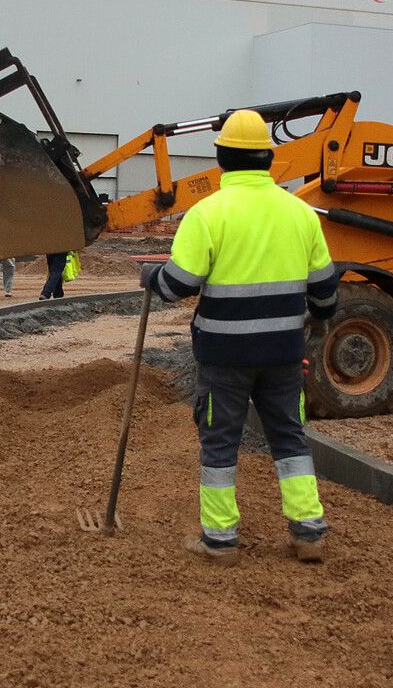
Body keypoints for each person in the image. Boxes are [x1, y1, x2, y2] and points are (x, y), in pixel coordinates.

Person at [141, 109, 339, 566]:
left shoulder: (208, 213)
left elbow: (177, 286)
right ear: (269, 160)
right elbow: (326, 292)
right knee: (290, 439)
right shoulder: (300, 213)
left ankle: (221, 539)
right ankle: (308, 532)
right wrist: (315, 319)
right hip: (284, 354)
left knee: (220, 444)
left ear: (222, 159)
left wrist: (151, 276)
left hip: (224, 357)